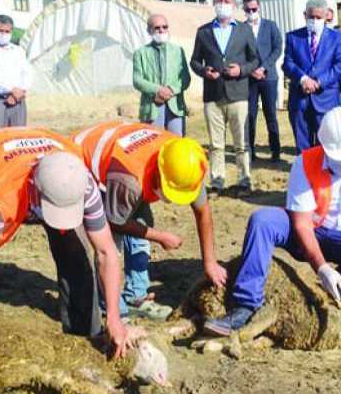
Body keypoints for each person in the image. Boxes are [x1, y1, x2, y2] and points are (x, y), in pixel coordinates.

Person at [202, 108, 341, 335]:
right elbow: (301, 224)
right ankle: (246, 305)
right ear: (324, 146)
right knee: (262, 221)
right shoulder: (305, 163)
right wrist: (322, 268)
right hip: (314, 232)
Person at [0, 128, 127, 377]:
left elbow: (106, 252)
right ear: (34, 188)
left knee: (77, 256)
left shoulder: (81, 182)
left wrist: (114, 316)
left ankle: (83, 342)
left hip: (47, 167)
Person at [74, 121, 228, 319]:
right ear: (159, 175)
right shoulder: (128, 179)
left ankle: (136, 296)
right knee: (110, 245)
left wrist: (210, 262)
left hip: (121, 155)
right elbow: (115, 222)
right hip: (83, 162)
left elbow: (203, 211)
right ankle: (112, 309)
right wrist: (159, 236)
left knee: (142, 221)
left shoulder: (184, 161)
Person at [189, 0, 261, 195]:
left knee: (241, 142)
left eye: (227, 1)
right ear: (213, 3)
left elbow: (255, 59)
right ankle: (217, 181)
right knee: (216, 144)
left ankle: (244, 180)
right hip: (213, 95)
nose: (222, 5)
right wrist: (204, 71)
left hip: (238, 93)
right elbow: (194, 61)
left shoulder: (244, 30)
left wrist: (241, 70)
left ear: (234, 5)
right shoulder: (203, 31)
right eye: (219, 1)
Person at [283, 0, 341, 152]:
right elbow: (287, 63)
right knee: (303, 147)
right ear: (304, 15)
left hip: (326, 98)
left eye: (318, 17)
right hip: (300, 99)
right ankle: (306, 173)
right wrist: (303, 79)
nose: (314, 20)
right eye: (311, 17)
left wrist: (318, 82)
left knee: (326, 145)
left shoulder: (338, 37)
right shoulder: (293, 37)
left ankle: (324, 174)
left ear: (326, 16)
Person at [133, 13, 191, 135]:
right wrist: (158, 90)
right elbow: (137, 80)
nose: (161, 30)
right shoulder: (141, 53)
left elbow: (185, 78)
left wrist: (170, 90)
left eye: (164, 27)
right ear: (149, 30)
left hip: (175, 105)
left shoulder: (177, 51)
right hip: (152, 106)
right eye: (157, 27)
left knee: (176, 145)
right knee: (152, 145)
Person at [242, 0, 283, 162]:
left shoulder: (270, 26)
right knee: (250, 116)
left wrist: (264, 67)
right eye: (248, 10)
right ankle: (250, 151)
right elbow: (238, 53)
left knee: (270, 114)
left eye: (254, 9)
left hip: (269, 77)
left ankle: (275, 151)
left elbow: (277, 48)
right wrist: (251, 70)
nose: (251, 12)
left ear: (259, 8)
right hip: (250, 79)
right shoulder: (241, 28)